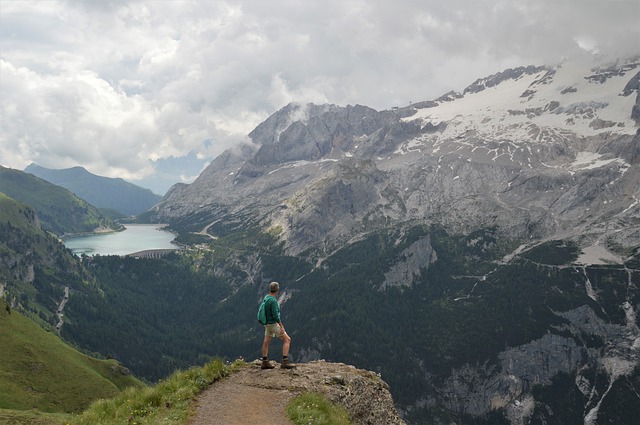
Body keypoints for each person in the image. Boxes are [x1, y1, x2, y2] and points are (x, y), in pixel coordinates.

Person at [261, 281, 295, 369]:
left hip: (267, 324)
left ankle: (265, 361)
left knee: (266, 342)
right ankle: (285, 361)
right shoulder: (273, 301)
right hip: (273, 324)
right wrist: (281, 326)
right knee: (287, 339)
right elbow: (276, 316)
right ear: (277, 290)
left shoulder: (266, 297)